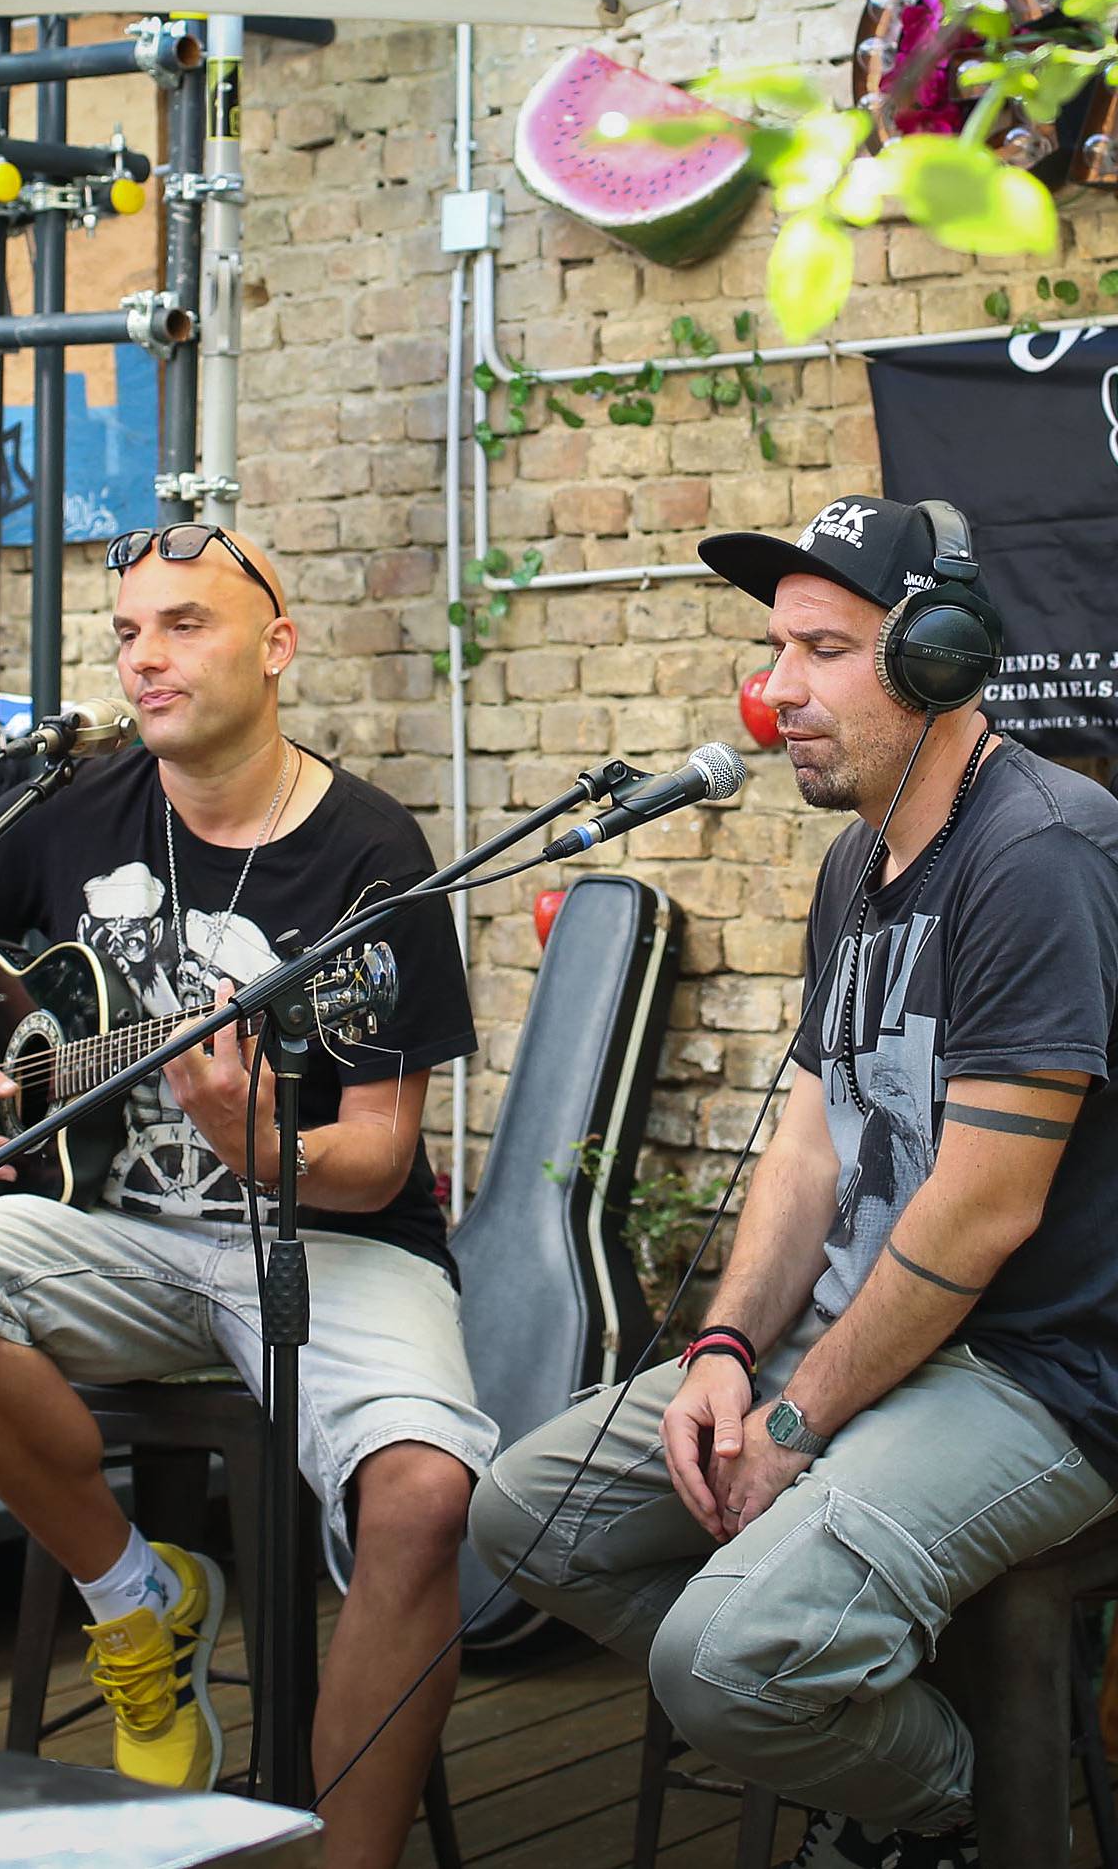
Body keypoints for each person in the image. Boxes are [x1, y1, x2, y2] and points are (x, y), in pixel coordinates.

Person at [466, 492, 1118, 1869]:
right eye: (776, 649)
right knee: (531, 1512)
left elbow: (985, 1206)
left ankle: (971, 1801)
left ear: (938, 656)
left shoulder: (1041, 854)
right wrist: (723, 1345)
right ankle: (902, 1754)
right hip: (860, 1342)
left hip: (1033, 1374)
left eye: (822, 649)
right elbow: (813, 1142)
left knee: (724, 1655)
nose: (776, 692)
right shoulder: (853, 865)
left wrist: (797, 1417)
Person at [0, 524, 494, 1869]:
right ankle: (138, 1595)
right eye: (127, 633)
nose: (146, 658)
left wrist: (260, 1138)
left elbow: (383, 1156)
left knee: (422, 1496)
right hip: (120, 1232)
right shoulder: (74, 799)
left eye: (185, 625)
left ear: (277, 648)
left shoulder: (370, 853)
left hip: (331, 1242)